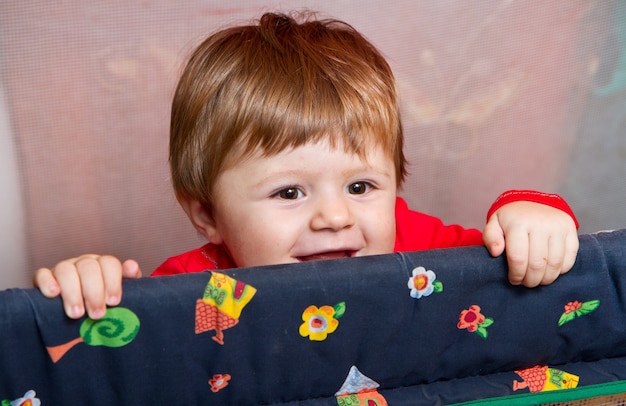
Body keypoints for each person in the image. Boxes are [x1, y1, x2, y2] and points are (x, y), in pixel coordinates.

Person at [34, 11, 579, 320]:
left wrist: (532, 213)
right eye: (290, 193)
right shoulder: (194, 287)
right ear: (207, 214)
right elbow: (127, 342)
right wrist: (88, 285)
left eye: (362, 185)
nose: (336, 218)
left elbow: (502, 253)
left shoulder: (416, 243)